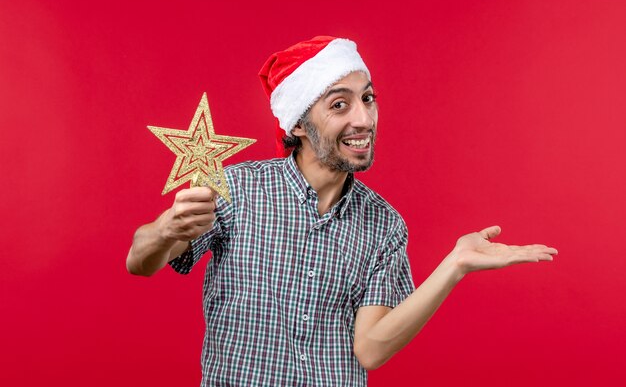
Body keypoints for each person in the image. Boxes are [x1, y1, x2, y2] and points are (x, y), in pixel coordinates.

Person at [127, 36, 557, 386]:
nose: (364, 118)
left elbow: (371, 349)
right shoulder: (237, 189)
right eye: (340, 104)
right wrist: (166, 229)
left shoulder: (384, 225)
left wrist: (455, 265)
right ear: (298, 123)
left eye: (368, 99)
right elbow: (140, 262)